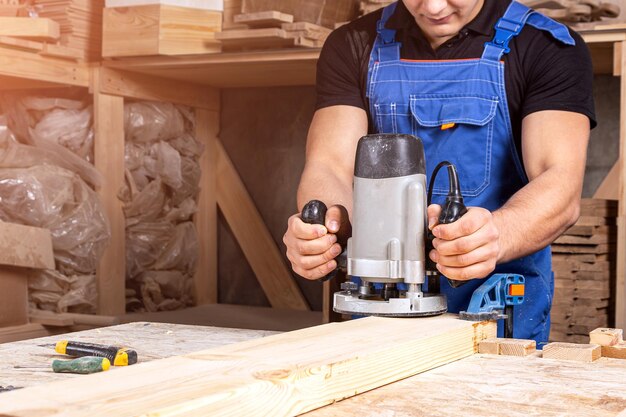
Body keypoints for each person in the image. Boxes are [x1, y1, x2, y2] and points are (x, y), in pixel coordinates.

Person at [283, 0, 595, 344]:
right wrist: (327, 231)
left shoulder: (545, 45)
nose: (432, 7)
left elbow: (560, 183)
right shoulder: (354, 44)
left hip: (497, 312)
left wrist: (497, 235)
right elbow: (329, 165)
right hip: (380, 307)